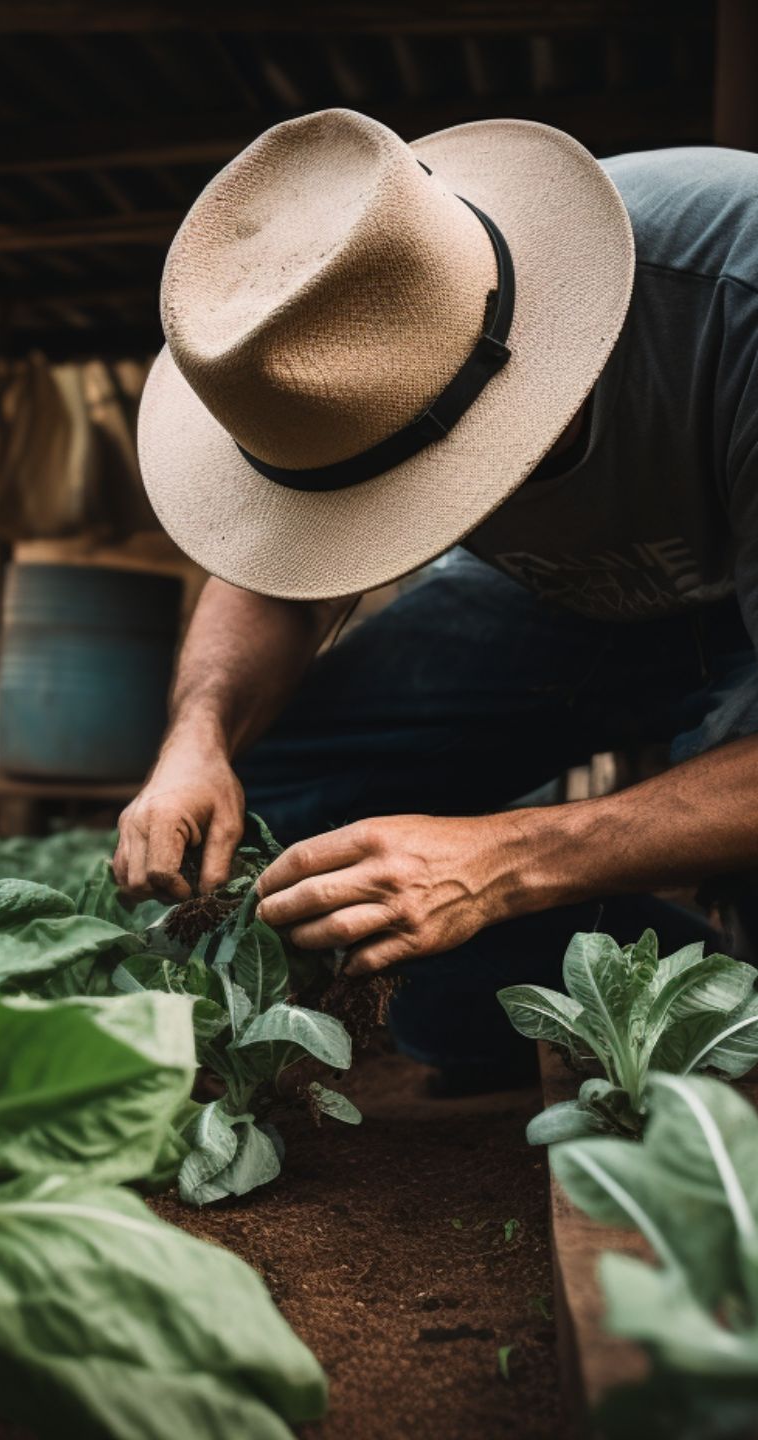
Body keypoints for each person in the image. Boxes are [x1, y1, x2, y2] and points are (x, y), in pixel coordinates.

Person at [113, 109, 758, 1088]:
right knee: (284, 797)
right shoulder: (326, 342)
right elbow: (273, 581)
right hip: (558, 606)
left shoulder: (732, 297)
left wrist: (505, 860)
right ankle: (641, 995)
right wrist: (196, 740)